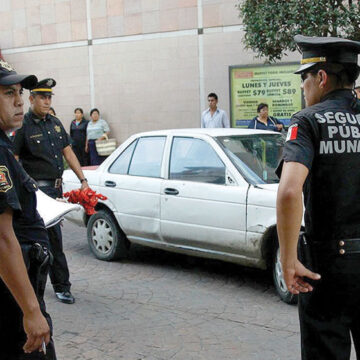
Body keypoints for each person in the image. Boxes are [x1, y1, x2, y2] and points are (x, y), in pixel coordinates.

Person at [276, 35, 360, 359]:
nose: (303, 88)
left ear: (322, 78)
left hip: (326, 268)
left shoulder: (308, 121)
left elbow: (288, 192)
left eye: (305, 78)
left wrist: (287, 259)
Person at [13, 78, 89, 305]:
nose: (47, 101)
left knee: (54, 241)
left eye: (49, 97)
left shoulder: (55, 124)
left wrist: (83, 179)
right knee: (41, 242)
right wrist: (25, 187)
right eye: (42, 97)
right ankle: (39, 287)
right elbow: (14, 160)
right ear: (31, 99)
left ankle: (60, 286)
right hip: (36, 193)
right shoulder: (23, 126)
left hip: (56, 190)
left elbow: (68, 152)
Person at [0, 61, 56, 358]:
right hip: (13, 294)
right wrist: (32, 311)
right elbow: (1, 237)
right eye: (9, 93)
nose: (19, 101)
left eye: (20, 92)